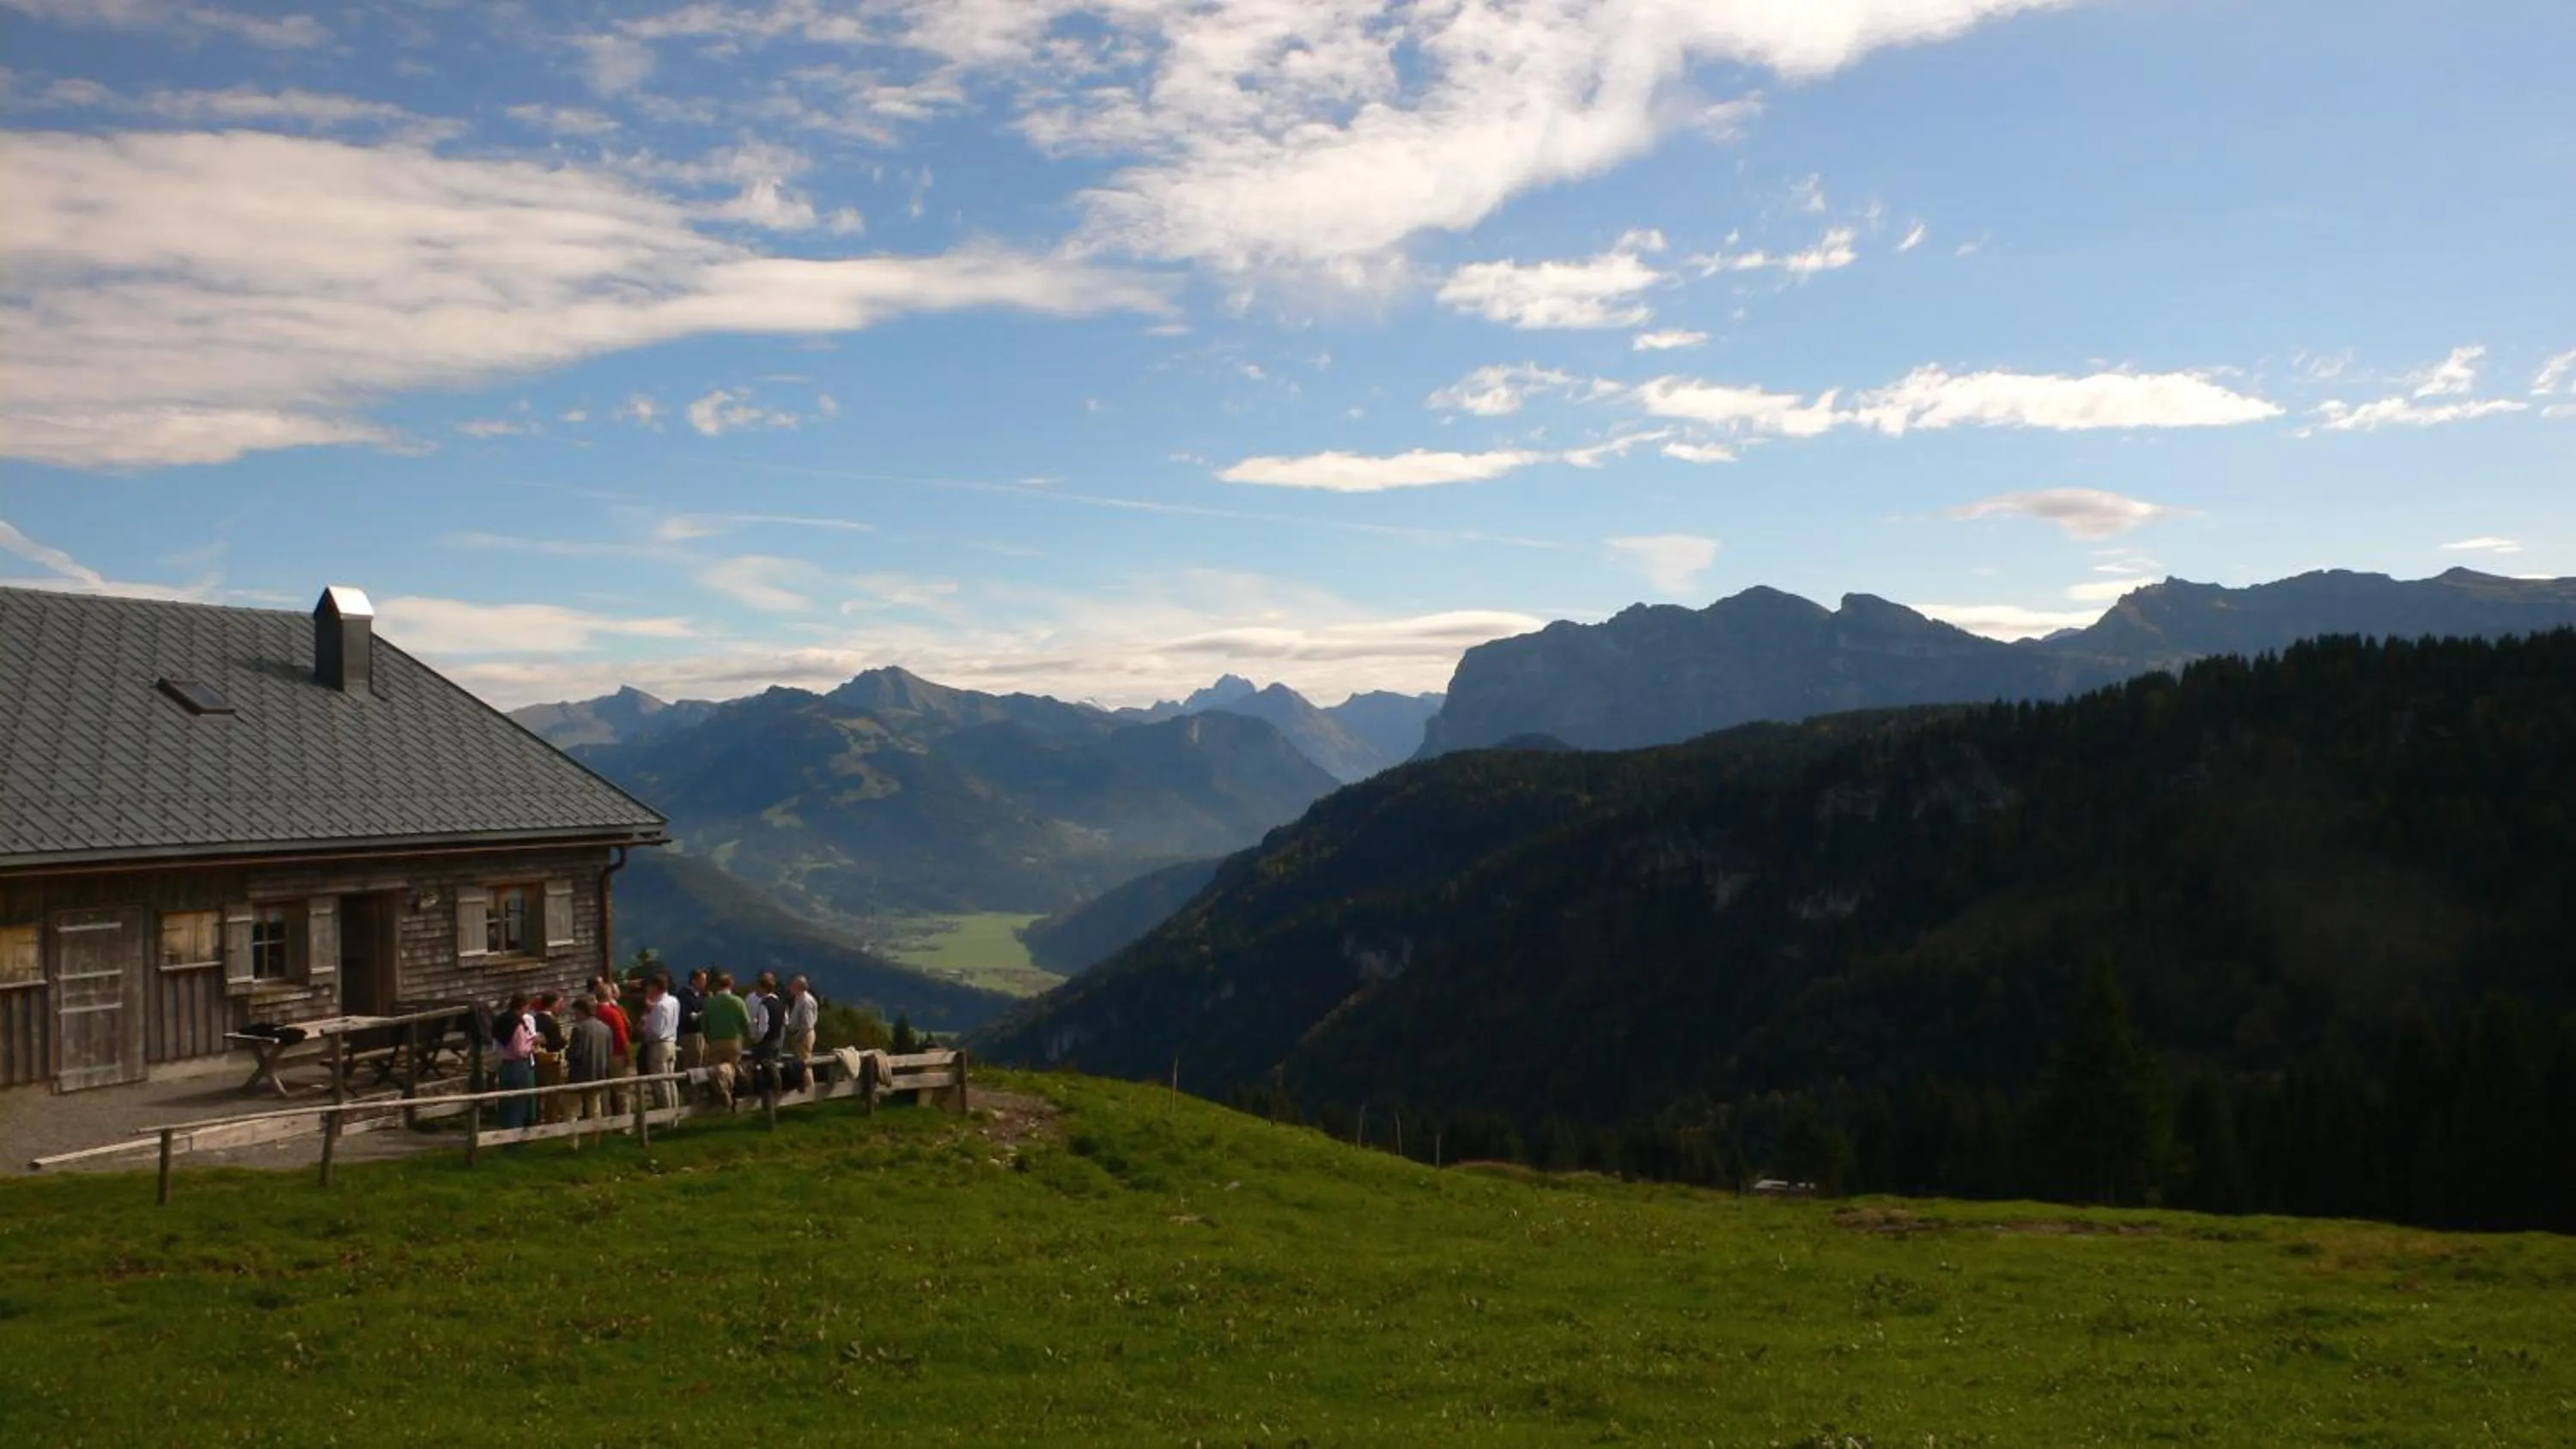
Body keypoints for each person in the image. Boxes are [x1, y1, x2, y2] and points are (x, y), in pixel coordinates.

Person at [563, 996, 615, 1128]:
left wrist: (566, 1053)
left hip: (579, 1075)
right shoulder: (605, 1028)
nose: (575, 1016)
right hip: (598, 1073)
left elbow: (574, 1053)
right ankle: (596, 1138)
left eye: (576, 1012)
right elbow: (609, 1052)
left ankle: (572, 1141)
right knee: (595, 1108)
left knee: (571, 1110)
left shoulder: (579, 1029)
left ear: (581, 1011)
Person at [700, 971, 749, 1108]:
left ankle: (722, 1092)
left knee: (715, 1071)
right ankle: (733, 1095)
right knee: (732, 1068)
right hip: (734, 1040)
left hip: (715, 1041)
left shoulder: (710, 1003)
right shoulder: (738, 1002)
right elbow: (745, 1022)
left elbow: (704, 1025)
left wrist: (709, 1038)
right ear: (731, 984)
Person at [492, 993, 538, 1134]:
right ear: (523, 1007)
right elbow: (520, 1050)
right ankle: (515, 1135)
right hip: (517, 1065)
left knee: (507, 1101)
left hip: (505, 1064)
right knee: (518, 1102)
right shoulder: (516, 1025)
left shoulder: (500, 1020)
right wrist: (532, 1043)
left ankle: (506, 1131)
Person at [637, 973, 681, 1111]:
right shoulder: (674, 1000)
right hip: (672, 1042)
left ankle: (666, 1114)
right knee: (671, 1080)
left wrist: (645, 1031)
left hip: (658, 1044)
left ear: (655, 987)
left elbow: (656, 1031)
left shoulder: (659, 1006)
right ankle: (675, 1111)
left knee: (661, 1082)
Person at [592, 983, 632, 1115]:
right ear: (609, 995)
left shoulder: (593, 1012)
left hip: (599, 1055)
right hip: (616, 1053)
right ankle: (624, 1122)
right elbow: (621, 1035)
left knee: (604, 1091)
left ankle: (606, 1119)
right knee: (622, 1090)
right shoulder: (613, 1013)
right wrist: (628, 1054)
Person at [746, 972, 785, 1100]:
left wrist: (756, 1040)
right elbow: (785, 1021)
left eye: (758, 987)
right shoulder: (779, 1002)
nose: (756, 990)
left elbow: (763, 1028)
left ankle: (759, 1093)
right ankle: (774, 1091)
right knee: (772, 1064)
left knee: (759, 1068)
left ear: (763, 988)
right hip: (777, 1040)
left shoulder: (764, 1004)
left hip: (765, 1043)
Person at [532, 991, 569, 1125]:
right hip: (551, 1060)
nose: (562, 1006)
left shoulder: (535, 1019)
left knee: (539, 1091)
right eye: (559, 1003)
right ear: (552, 1004)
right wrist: (564, 1041)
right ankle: (551, 1120)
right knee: (552, 1092)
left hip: (537, 1059)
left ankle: (537, 1117)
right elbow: (556, 1042)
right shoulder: (551, 1022)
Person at [782, 974, 819, 1089]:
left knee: (804, 1063)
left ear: (798, 986)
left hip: (804, 1035)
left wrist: (798, 1036)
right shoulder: (799, 999)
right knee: (801, 1062)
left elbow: (807, 1024)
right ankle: (805, 1087)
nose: (790, 988)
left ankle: (809, 1090)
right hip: (801, 1034)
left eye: (793, 985)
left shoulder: (806, 1001)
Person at [677, 968, 709, 1072]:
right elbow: (687, 1017)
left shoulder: (701, 996)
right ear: (694, 981)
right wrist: (703, 1013)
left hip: (701, 1033)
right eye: (702, 980)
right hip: (690, 1035)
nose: (705, 983)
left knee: (703, 1061)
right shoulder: (684, 996)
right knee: (693, 1062)